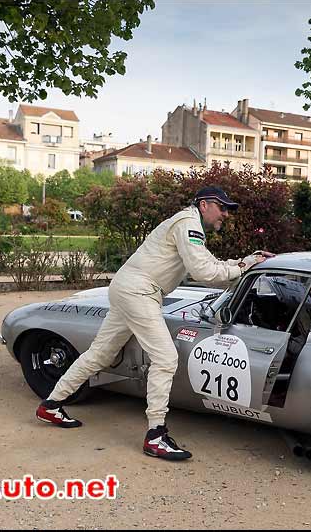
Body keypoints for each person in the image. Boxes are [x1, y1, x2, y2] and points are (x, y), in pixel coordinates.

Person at [35, 186, 275, 460]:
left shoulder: (188, 224)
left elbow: (211, 263)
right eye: (223, 208)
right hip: (139, 291)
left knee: (100, 354)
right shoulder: (188, 225)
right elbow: (205, 273)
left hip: (129, 287)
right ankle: (156, 435)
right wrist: (245, 268)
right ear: (205, 204)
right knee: (165, 358)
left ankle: (51, 404)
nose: (225, 215)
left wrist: (246, 261)